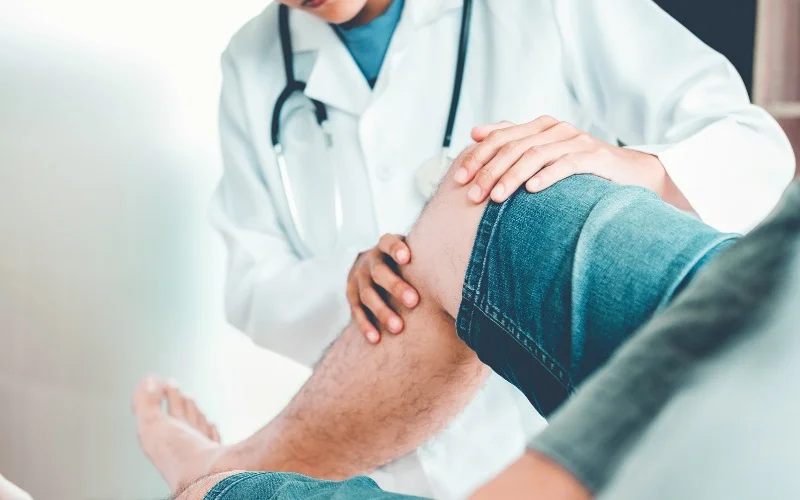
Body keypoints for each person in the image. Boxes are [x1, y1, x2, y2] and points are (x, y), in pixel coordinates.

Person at [210, 0, 794, 495]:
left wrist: (634, 165)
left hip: (542, 431)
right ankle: (215, 470)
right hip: (379, 433)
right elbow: (250, 280)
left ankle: (212, 467)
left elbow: (752, 146)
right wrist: (359, 278)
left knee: (225, 481)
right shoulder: (253, 59)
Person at [136, 172, 800, 499]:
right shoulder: (256, 60)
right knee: (487, 194)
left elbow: (742, 146)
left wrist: (657, 164)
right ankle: (229, 466)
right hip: (777, 274)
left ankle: (214, 482)